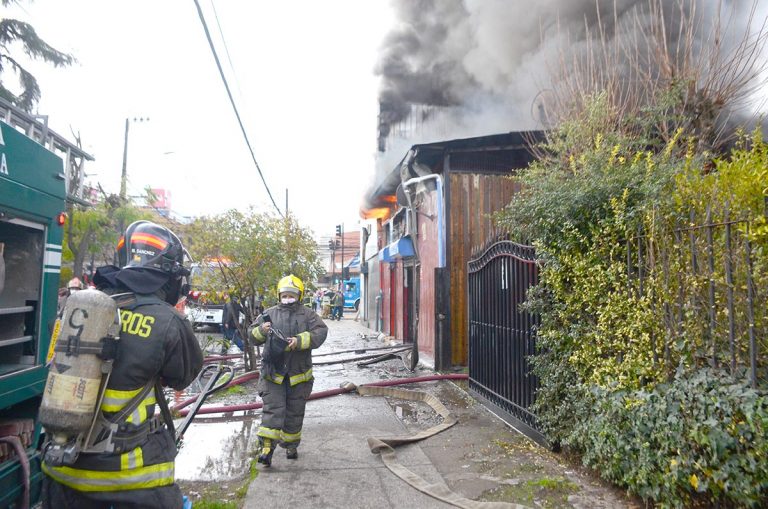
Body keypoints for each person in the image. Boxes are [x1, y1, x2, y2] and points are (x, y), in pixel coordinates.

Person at [42, 220, 204, 509]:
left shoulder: (76, 307)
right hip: (131, 480)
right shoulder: (167, 320)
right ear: (169, 275)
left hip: (60, 471)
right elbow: (184, 377)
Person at [250, 274, 327, 467]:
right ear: (279, 295)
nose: (287, 298)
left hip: (298, 375)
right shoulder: (269, 314)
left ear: (299, 296)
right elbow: (251, 335)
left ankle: (291, 445)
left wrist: (300, 341)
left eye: (291, 295)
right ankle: (266, 449)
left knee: (294, 413)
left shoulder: (307, 315)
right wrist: (262, 330)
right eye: (284, 295)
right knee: (273, 411)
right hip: (273, 374)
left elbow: (321, 332)